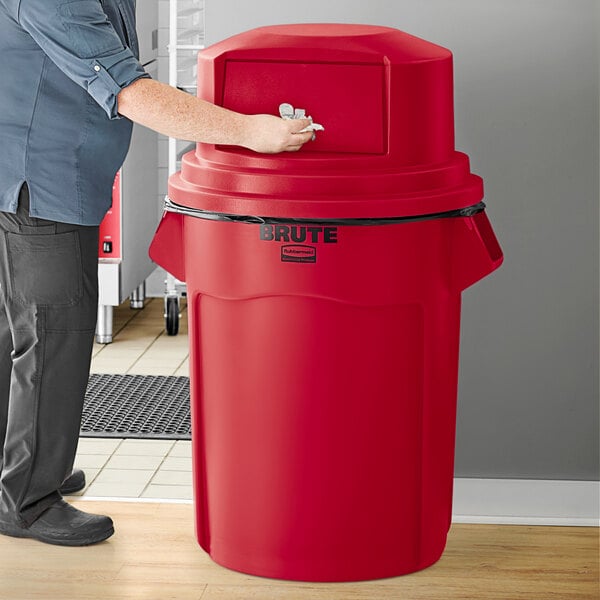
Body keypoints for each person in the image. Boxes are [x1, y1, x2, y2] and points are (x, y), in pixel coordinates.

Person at [0, 0, 314, 547]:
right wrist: (246, 131)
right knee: (54, 337)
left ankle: (19, 470)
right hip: (38, 184)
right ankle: (28, 501)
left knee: (17, 330)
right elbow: (128, 90)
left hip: (42, 173)